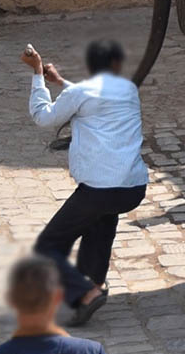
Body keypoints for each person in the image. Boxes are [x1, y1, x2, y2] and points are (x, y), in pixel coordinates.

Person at [23, 40, 148, 327]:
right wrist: (62, 82)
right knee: (100, 226)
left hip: (100, 189)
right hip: (132, 186)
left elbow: (44, 117)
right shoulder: (128, 90)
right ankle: (93, 286)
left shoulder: (81, 92)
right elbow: (93, 101)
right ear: (117, 65)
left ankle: (86, 292)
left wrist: (38, 74)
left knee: (47, 246)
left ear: (90, 66)